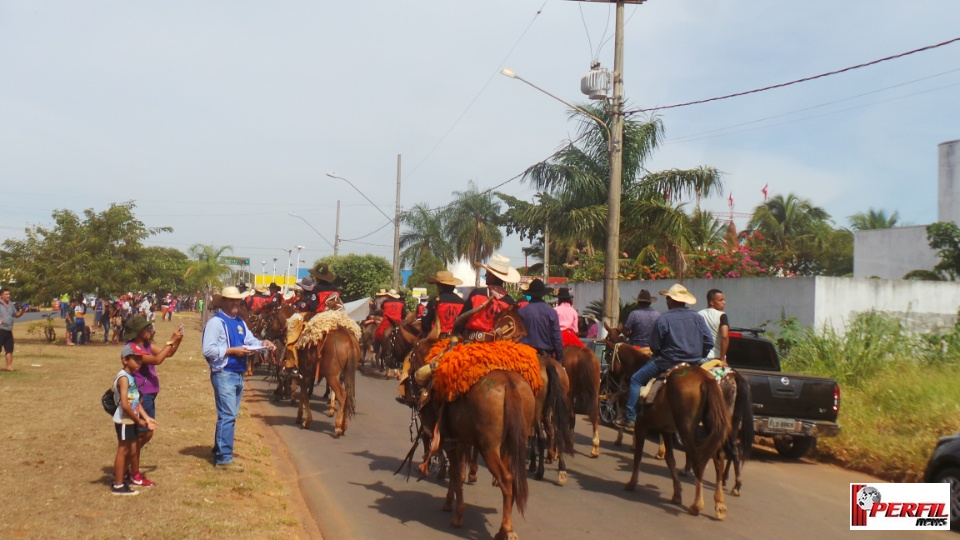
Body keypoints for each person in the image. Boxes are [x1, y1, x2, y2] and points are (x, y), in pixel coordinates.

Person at [617, 284, 713, 431]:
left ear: (671, 300)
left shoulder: (664, 318)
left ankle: (631, 418)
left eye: (668, 298)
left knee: (636, 379)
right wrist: (699, 356)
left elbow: (655, 345)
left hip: (667, 361)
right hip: (694, 361)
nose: (667, 301)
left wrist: (660, 354)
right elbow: (709, 342)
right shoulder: (697, 317)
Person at [201, 286, 274, 470]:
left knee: (227, 415)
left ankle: (219, 450)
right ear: (223, 302)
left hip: (238, 373)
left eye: (237, 301)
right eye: (232, 300)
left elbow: (251, 342)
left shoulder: (240, 322)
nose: (236, 304)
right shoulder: (216, 323)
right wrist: (231, 351)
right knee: (228, 415)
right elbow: (207, 350)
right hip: (224, 372)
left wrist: (263, 344)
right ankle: (224, 458)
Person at [125, 315, 184, 487]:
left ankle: (129, 466)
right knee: (142, 433)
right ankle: (131, 470)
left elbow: (169, 353)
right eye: (147, 329)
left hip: (149, 394)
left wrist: (177, 340)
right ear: (138, 332)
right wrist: (170, 340)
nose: (150, 331)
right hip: (140, 395)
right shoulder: (132, 349)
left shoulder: (147, 345)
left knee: (144, 433)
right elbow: (157, 360)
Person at [111, 342, 157, 495]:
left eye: (140, 359)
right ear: (125, 360)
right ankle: (118, 485)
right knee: (123, 450)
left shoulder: (131, 377)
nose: (139, 362)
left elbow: (135, 401)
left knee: (131, 450)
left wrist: (146, 418)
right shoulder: (123, 378)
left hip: (131, 420)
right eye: (135, 359)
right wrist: (138, 421)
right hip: (125, 420)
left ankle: (122, 478)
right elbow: (125, 404)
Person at [459, 253, 520, 341]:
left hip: (473, 345)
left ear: (492, 276)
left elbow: (461, 320)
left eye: (487, 273)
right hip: (499, 348)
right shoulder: (510, 302)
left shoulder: (477, 294)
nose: (486, 275)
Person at [518, 279, 564, 362]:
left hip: (525, 355)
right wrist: (559, 357)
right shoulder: (551, 312)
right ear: (543, 294)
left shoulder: (520, 312)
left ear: (530, 294)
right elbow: (556, 338)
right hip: (546, 354)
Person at [421, 270, 464, 337]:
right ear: (453, 286)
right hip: (458, 341)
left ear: (439, 286)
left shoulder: (434, 301)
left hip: (439, 341)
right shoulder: (462, 302)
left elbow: (425, 324)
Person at [619, 289, 661, 355]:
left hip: (636, 349)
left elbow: (626, 332)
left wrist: (631, 335)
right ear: (650, 302)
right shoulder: (658, 315)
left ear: (639, 302)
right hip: (653, 349)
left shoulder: (634, 314)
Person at [699, 289, 730, 366]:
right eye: (721, 300)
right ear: (711, 302)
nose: (724, 302)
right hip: (716, 358)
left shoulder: (698, 315)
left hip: (701, 358)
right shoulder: (722, 315)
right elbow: (724, 336)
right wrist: (722, 359)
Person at [0, 288, 25, 371]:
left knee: (9, 349)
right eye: (6, 294)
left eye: (9, 294)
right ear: (1, 295)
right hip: (1, 330)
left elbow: (16, 315)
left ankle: (9, 367)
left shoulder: (10, 304)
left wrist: (22, 311)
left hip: (8, 330)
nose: (8, 296)